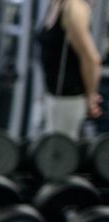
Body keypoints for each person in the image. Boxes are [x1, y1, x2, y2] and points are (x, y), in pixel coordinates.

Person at [39, 0, 104, 137]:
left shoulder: (74, 8)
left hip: (69, 97)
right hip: (53, 95)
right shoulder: (56, 4)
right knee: (52, 146)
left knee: (62, 151)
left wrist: (91, 95)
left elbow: (91, 59)